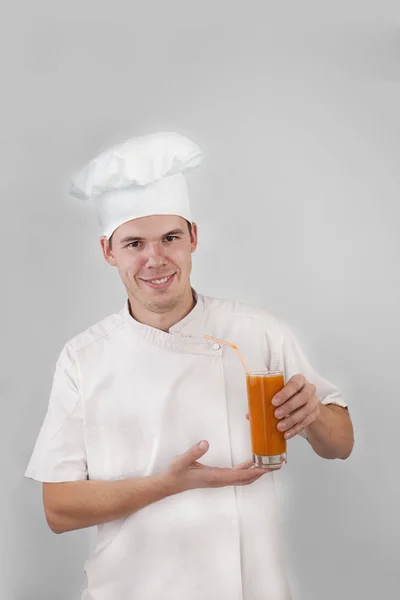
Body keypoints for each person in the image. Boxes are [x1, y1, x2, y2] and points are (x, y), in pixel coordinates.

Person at [25, 132, 354, 600]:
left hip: (250, 585)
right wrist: (168, 485)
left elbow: (340, 444)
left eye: (170, 238)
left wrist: (316, 416)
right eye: (134, 243)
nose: (154, 259)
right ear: (108, 251)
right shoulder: (85, 356)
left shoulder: (257, 331)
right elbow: (58, 509)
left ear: (193, 238)